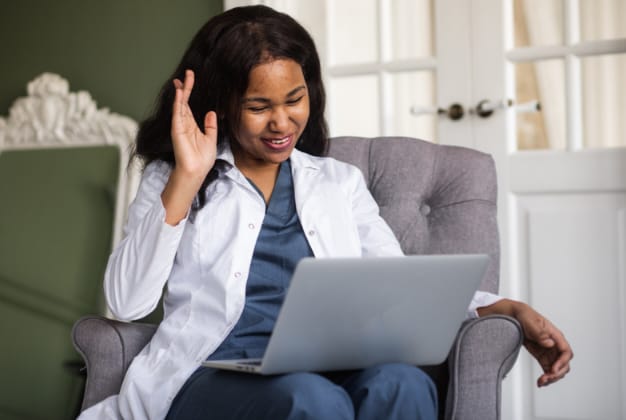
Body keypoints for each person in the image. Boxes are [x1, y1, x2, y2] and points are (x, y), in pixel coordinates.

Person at [78, 5, 573, 420]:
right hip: (212, 373)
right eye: (258, 106)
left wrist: (503, 307)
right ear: (222, 104)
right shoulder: (173, 178)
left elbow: (399, 284)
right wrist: (186, 179)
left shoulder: (337, 182)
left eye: (295, 100)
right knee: (310, 400)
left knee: (401, 384)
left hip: (328, 368)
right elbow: (127, 302)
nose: (282, 122)